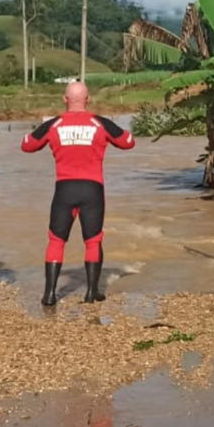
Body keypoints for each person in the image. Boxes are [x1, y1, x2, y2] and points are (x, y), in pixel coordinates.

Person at [21, 81, 135, 306]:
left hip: (64, 188)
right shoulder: (100, 123)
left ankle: (50, 294)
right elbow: (128, 142)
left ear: (65, 100)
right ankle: (92, 292)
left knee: (56, 240)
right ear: (88, 99)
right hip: (92, 189)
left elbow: (27, 145)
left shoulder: (54, 125)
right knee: (93, 240)